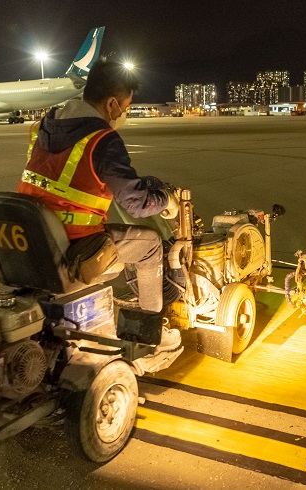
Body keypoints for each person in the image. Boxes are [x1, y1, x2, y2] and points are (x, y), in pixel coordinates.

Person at [17, 58, 180, 354]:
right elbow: (135, 203)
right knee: (151, 244)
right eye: (126, 108)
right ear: (111, 104)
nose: (124, 115)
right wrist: (165, 200)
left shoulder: (45, 126)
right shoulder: (102, 139)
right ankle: (151, 335)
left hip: (33, 238)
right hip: (74, 246)